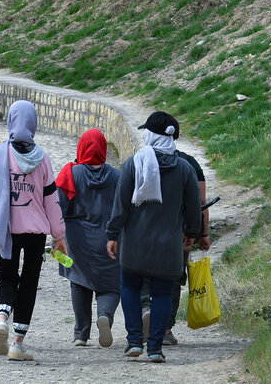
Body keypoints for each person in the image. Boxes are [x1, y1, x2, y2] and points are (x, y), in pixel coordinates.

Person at [0, 100, 67, 361]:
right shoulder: (44, 159)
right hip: (36, 234)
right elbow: (52, 199)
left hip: (9, 231)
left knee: (6, 276)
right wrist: (59, 236)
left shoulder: (0, 154)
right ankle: (17, 343)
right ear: (33, 123)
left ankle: (2, 318)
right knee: (29, 283)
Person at [105, 111, 201, 364]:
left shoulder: (133, 164)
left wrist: (112, 234)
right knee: (162, 294)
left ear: (151, 135)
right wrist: (192, 233)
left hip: (134, 245)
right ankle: (156, 347)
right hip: (168, 247)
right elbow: (193, 207)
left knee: (129, 287)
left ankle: (135, 341)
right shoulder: (185, 169)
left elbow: (121, 205)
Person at [139, 114, 211, 346]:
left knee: (145, 276)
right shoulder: (190, 164)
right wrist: (200, 233)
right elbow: (200, 203)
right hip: (179, 233)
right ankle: (166, 329)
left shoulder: (140, 161)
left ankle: (145, 313)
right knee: (173, 279)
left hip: (146, 231)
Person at [55, 128, 121, 348]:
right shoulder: (117, 176)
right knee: (111, 285)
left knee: (79, 281)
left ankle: (81, 334)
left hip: (77, 242)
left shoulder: (70, 174)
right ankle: (105, 317)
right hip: (109, 241)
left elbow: (58, 208)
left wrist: (56, 237)